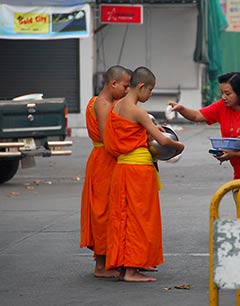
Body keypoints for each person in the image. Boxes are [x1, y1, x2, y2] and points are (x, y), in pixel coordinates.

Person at [104, 66, 184, 282]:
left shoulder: (116, 107)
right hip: (138, 171)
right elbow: (164, 140)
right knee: (140, 219)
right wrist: (180, 146)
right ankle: (131, 270)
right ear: (140, 87)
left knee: (123, 218)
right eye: (150, 91)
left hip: (121, 168)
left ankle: (123, 267)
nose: (150, 95)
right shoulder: (138, 112)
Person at [167, 71, 240, 209]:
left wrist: (235, 155)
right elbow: (197, 116)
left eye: (228, 93)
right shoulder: (222, 107)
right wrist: (181, 108)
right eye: (222, 93)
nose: (223, 97)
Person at [80, 65, 131, 278]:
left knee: (115, 211)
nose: (127, 91)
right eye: (125, 86)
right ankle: (100, 266)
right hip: (104, 160)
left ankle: (115, 260)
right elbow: (107, 137)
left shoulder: (111, 103)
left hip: (109, 159)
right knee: (102, 212)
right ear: (113, 84)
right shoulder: (101, 104)